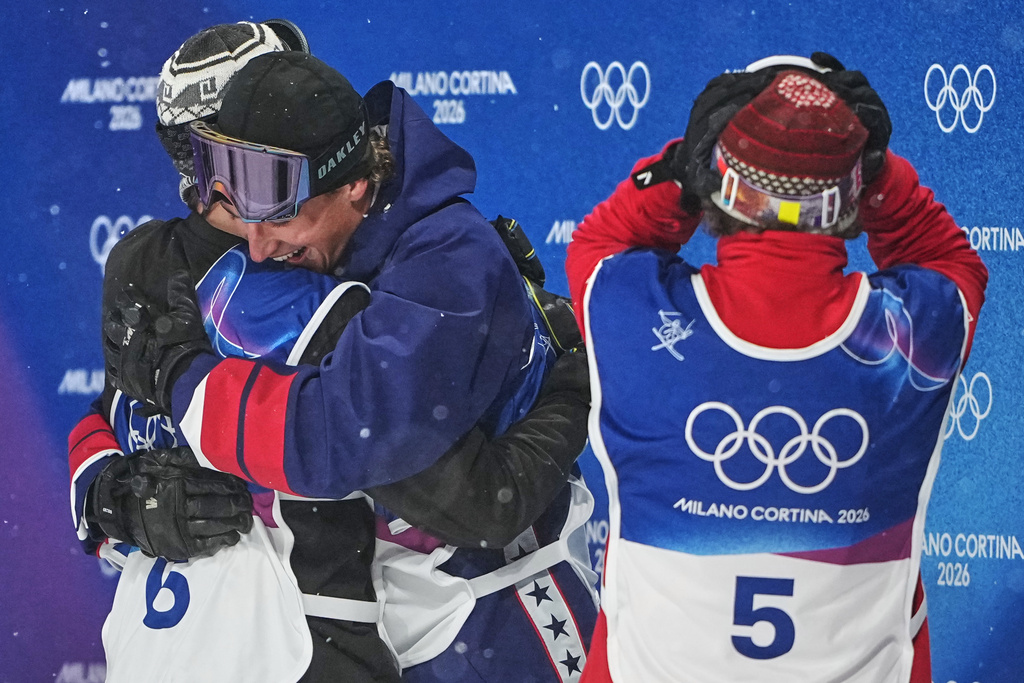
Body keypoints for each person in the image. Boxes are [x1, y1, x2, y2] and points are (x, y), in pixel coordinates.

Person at [80, 26, 596, 682]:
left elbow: (470, 497)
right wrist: (108, 493)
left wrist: (574, 379)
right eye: (215, 157)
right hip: (326, 625)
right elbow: (112, 412)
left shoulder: (378, 280)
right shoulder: (163, 267)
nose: (247, 221)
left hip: (482, 606)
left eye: (265, 164)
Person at [565, 55, 987, 682]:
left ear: (719, 186)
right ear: (847, 201)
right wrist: (872, 170)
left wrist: (683, 168)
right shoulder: (910, 338)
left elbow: (601, 244)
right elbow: (946, 258)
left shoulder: (629, 315)